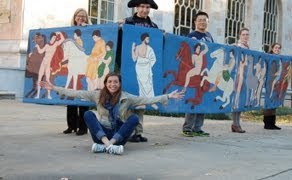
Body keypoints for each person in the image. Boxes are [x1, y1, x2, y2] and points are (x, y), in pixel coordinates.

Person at [40, 72, 184, 155]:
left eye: (115, 82)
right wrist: (54, 88)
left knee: (134, 118)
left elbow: (147, 99)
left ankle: (109, 145)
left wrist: (169, 96)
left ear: (119, 84)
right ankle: (108, 146)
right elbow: (76, 93)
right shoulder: (97, 95)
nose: (112, 84)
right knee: (89, 114)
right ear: (105, 83)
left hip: (119, 136)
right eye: (110, 82)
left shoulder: (127, 97)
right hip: (100, 135)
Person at [117, 0, 159, 142]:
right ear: (137, 7)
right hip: (130, 67)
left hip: (146, 67)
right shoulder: (128, 22)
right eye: (142, 6)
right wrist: (119, 28)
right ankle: (127, 130)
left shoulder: (153, 26)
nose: (145, 9)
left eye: (147, 7)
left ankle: (138, 132)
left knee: (141, 100)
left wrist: (161, 36)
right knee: (128, 99)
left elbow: (156, 46)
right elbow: (120, 42)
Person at [182, 11, 213, 137]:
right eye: (200, 20)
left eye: (204, 20)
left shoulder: (209, 36)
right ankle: (188, 127)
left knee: (202, 99)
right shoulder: (192, 36)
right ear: (195, 22)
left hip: (205, 71)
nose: (202, 22)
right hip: (195, 71)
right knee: (193, 98)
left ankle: (198, 127)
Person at [63, 8, 91, 135]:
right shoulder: (69, 32)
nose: (81, 18)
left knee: (83, 98)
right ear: (74, 18)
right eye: (79, 16)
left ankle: (83, 127)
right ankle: (71, 125)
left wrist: (87, 28)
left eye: (84, 16)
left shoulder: (90, 30)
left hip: (83, 61)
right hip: (73, 61)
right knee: (71, 98)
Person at [132, 33, 158, 109]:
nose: (148, 40)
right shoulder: (137, 47)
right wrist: (132, 49)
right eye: (147, 39)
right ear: (144, 39)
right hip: (139, 68)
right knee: (141, 85)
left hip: (147, 68)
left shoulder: (150, 48)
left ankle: (152, 102)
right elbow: (134, 59)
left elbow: (154, 59)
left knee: (149, 85)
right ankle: (142, 103)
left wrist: (148, 66)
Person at [231, 27, 250, 133]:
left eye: (247, 34)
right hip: (238, 74)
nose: (245, 36)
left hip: (245, 74)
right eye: (243, 34)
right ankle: (235, 123)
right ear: (240, 35)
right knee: (237, 98)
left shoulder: (247, 47)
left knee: (240, 99)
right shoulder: (238, 46)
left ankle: (237, 123)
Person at [263, 43, 282, 130]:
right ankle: (267, 123)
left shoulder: (280, 59)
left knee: (274, 102)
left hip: (277, 83)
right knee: (269, 101)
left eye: (279, 48)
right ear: (272, 48)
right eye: (276, 48)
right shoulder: (269, 57)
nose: (277, 49)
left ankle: (273, 123)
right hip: (269, 82)